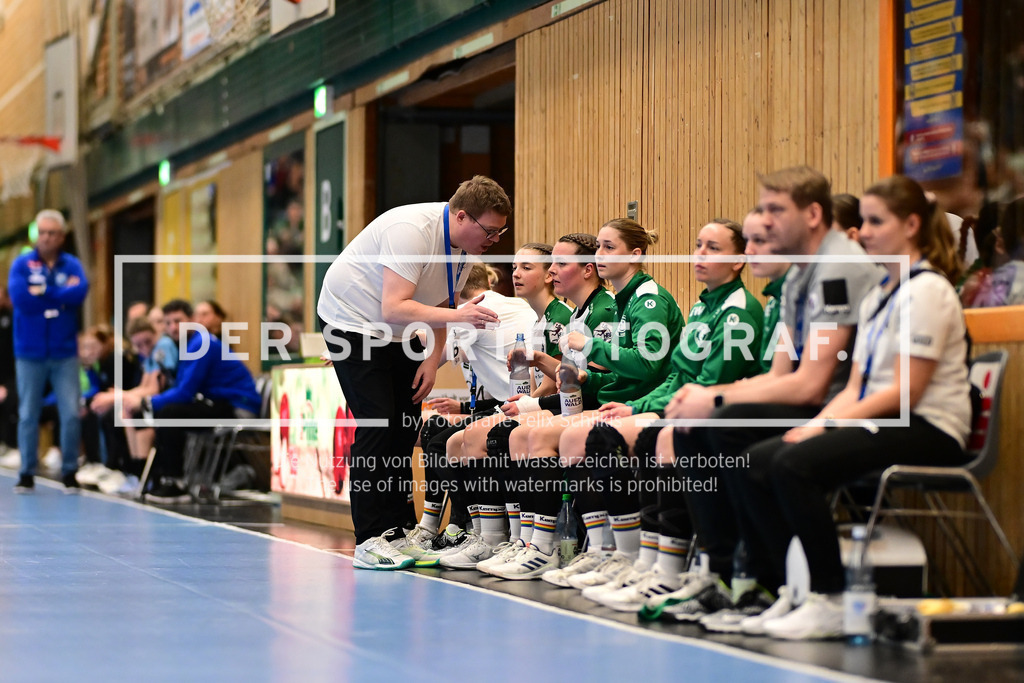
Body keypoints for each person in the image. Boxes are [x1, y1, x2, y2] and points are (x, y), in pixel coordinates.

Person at [724, 175, 971, 640]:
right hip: (882, 417)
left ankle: (832, 597)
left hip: (929, 427)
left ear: (912, 225)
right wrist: (817, 424)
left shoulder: (929, 290)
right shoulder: (879, 295)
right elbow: (856, 384)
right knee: (760, 459)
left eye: (877, 222)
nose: (866, 232)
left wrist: (829, 425)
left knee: (794, 466)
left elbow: (906, 392)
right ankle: (788, 590)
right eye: (863, 222)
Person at [655, 166, 882, 621]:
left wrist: (717, 400)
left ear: (813, 214)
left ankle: (768, 581)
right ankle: (723, 575)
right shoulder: (799, 276)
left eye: (776, 210)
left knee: (724, 428)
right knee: (692, 427)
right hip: (809, 400)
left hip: (845, 408)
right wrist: (708, 393)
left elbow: (811, 384)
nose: (766, 220)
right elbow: (780, 370)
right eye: (764, 209)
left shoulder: (838, 270)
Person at [540, 219, 764, 603]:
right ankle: (611, 552)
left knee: (618, 437)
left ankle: (647, 560)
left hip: (720, 413)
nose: (700, 254)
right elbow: (678, 376)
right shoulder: (699, 306)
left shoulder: (715, 307)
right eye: (698, 244)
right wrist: (630, 404)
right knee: (590, 433)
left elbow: (677, 377)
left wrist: (631, 398)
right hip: (666, 403)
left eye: (713, 247)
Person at [317, 175, 512, 569]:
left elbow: (442, 300)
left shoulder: (460, 250)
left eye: (500, 232)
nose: (495, 240)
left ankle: (395, 529)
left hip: (398, 331)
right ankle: (369, 538)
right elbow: (394, 306)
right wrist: (457, 318)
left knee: (406, 427)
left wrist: (432, 356)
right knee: (378, 426)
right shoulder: (411, 232)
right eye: (490, 231)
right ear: (462, 216)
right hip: (353, 322)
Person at [120, 299, 261, 503]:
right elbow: (181, 388)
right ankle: (157, 477)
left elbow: (184, 392)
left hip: (238, 406)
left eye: (178, 321)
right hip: (218, 402)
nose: (173, 327)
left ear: (193, 320)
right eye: (168, 323)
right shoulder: (189, 345)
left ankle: (175, 482)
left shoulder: (202, 344)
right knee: (166, 411)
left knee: (170, 413)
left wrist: (146, 403)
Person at [10, 209, 90, 493]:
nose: (46, 238)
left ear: (61, 236)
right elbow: (21, 299)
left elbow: (80, 293)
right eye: (41, 233)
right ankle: (26, 472)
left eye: (51, 233)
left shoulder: (72, 266)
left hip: (64, 352)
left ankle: (70, 471)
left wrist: (42, 293)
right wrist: (59, 298)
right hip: (29, 352)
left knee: (70, 412)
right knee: (28, 414)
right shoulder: (22, 265)